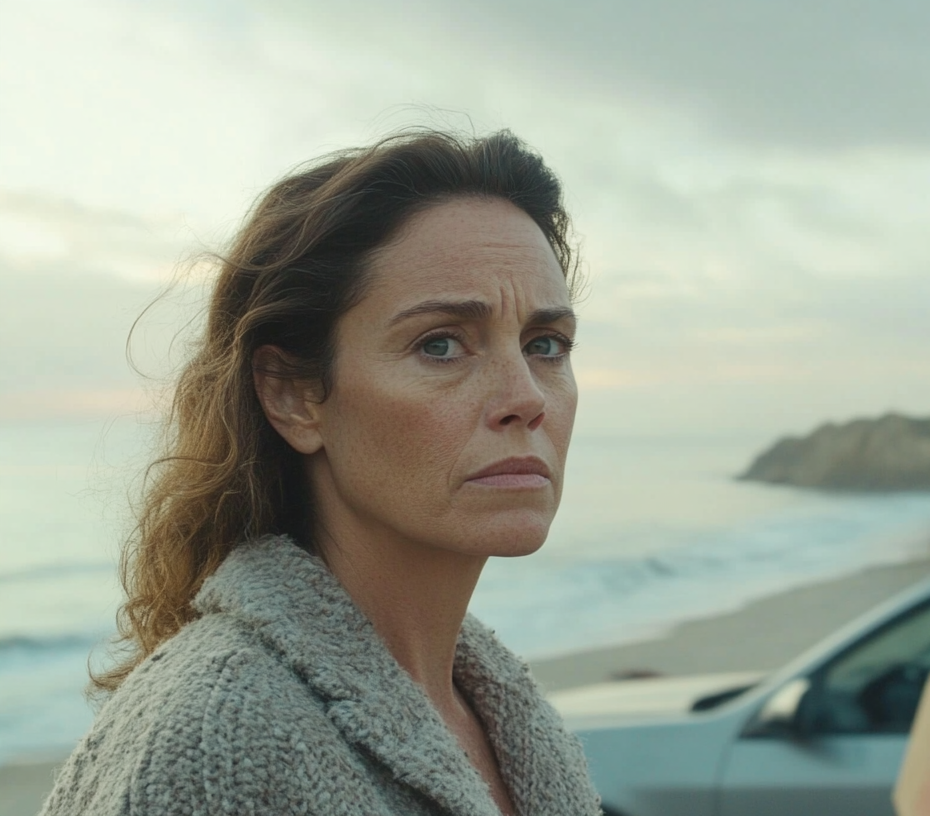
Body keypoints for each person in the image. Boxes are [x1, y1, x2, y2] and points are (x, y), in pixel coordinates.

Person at [41, 130, 602, 816]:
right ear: (293, 395)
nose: (527, 398)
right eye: (442, 345)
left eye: (546, 345)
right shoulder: (219, 745)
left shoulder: (498, 714)